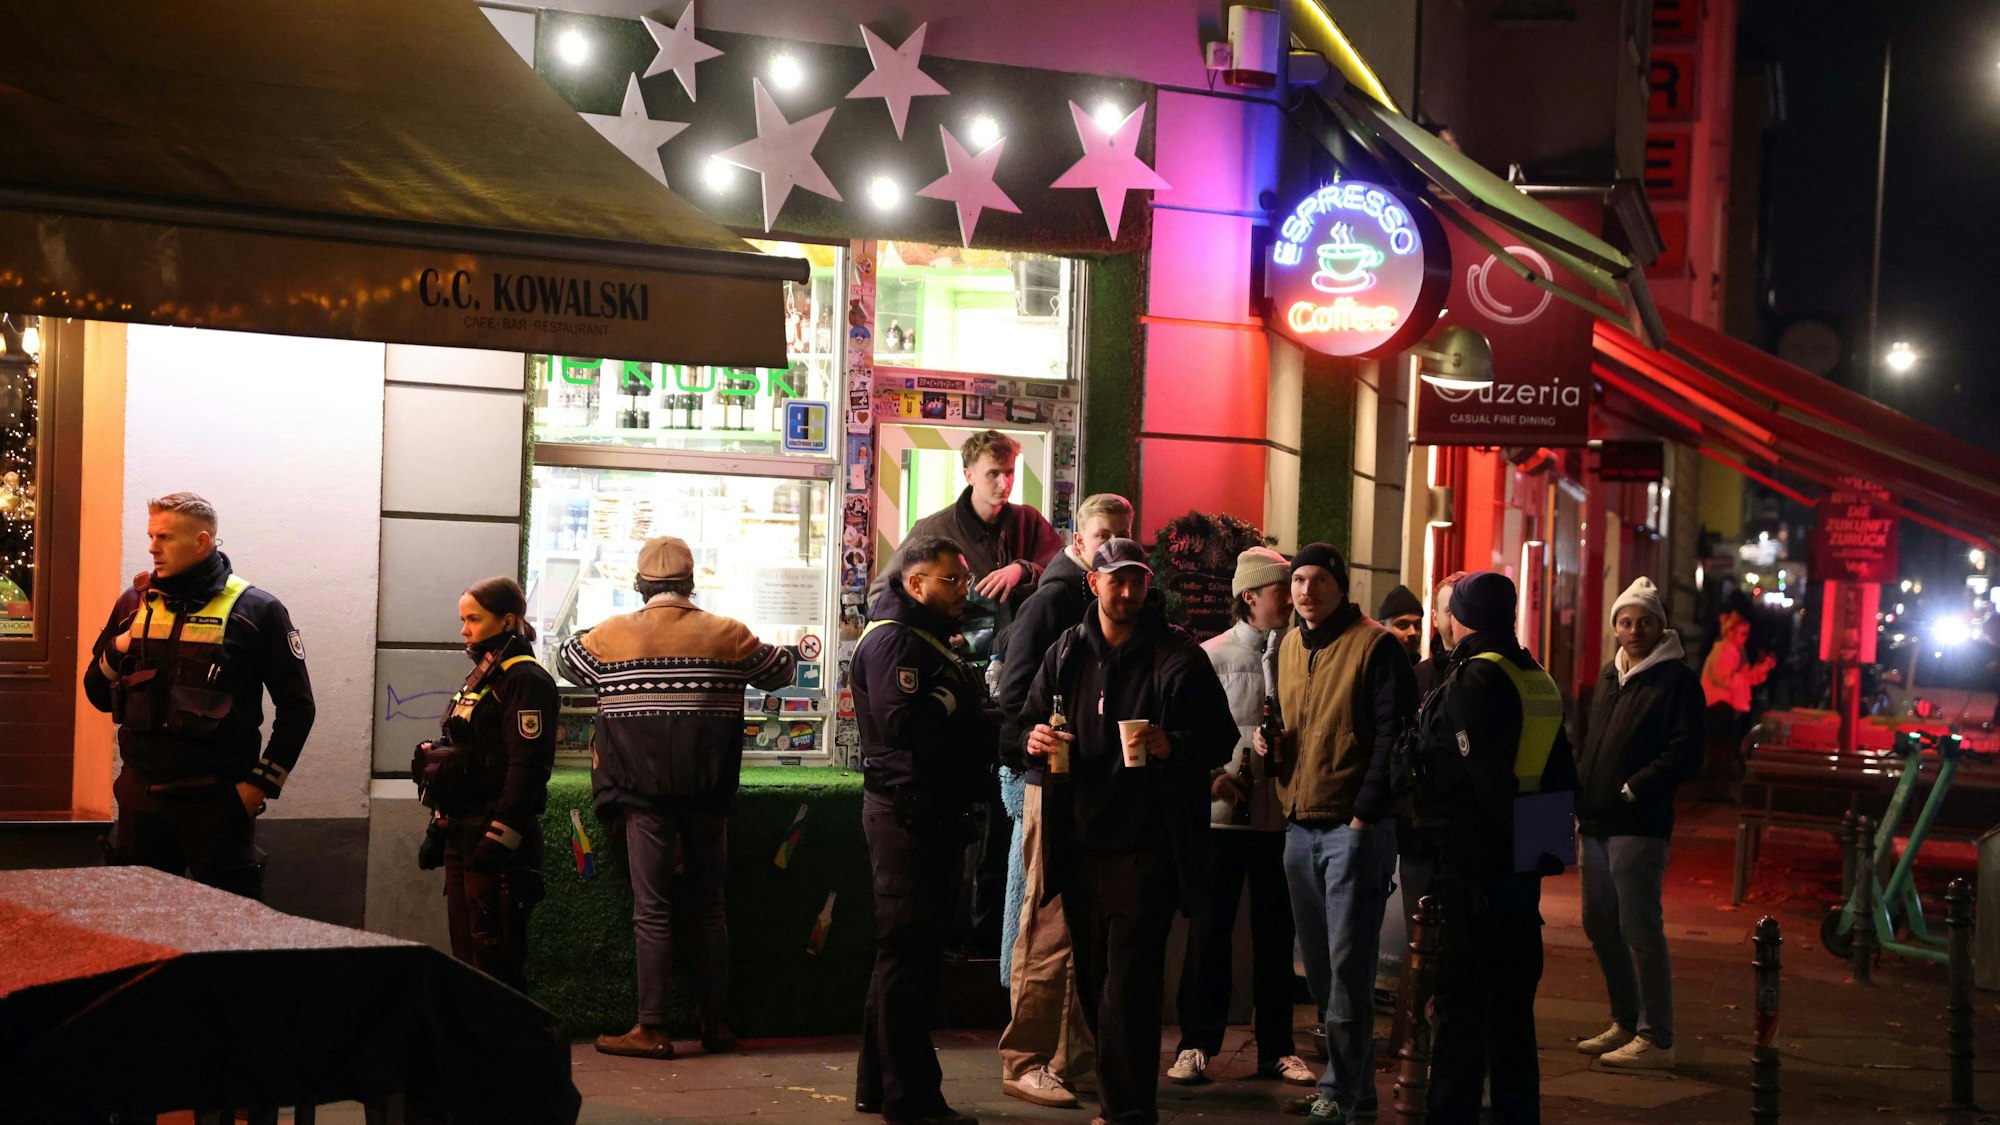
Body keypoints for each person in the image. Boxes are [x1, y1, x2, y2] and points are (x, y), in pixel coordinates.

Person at [1021, 539, 1236, 1125]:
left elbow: (1222, 738)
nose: (1126, 591)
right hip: (1082, 842)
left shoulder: (1177, 657)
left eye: (1136, 580)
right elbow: (1027, 724)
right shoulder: (1067, 652)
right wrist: (1034, 741)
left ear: (1146, 585)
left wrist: (1175, 744)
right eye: (1115, 580)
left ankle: (1129, 1109)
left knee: (1130, 985)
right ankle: (1124, 1096)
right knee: (1094, 981)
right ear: (1093, 583)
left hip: (1148, 848)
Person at [560, 536, 797, 1060]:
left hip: (642, 798)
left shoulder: (611, 635)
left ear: (641, 584)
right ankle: (715, 1026)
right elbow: (782, 670)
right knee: (710, 909)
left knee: (653, 911)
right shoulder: (728, 633)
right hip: (708, 797)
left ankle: (652, 1027)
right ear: (691, 583)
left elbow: (568, 659)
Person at [870, 429, 1064, 958]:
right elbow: (882, 597)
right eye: (992, 474)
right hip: (960, 690)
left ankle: (994, 945)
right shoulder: (932, 531)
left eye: (1009, 473)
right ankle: (965, 943)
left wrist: (1026, 567)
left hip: (1020, 695)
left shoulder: (1028, 525)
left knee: (1007, 829)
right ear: (968, 474)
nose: (1003, 484)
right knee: (971, 828)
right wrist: (933, 633)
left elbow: (1068, 570)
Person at [83, 492, 315, 900]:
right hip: (142, 802)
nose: (152, 547)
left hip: (218, 804)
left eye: (165, 537)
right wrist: (119, 646)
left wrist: (258, 787)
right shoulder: (133, 603)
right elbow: (97, 695)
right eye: (151, 535)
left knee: (228, 940)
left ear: (203, 541)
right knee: (139, 932)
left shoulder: (256, 610)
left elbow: (298, 707)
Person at [1407, 571, 1578, 1125]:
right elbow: (1557, 778)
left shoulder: (1475, 679)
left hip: (1471, 870)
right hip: (1518, 872)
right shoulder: (1538, 677)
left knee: (1459, 1011)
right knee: (1512, 1016)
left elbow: (1477, 780)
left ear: (1461, 617)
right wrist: (1531, 864)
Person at [1253, 543, 1415, 1125]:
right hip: (1301, 823)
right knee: (1320, 968)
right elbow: (1293, 726)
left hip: (1352, 828)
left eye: (1319, 579)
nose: (1306, 591)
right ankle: (1349, 1088)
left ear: (1340, 586)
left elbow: (1394, 735)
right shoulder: (1290, 645)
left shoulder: (1376, 646)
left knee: (1349, 965)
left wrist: (1364, 815)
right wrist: (1270, 747)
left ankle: (1344, 1093)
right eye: (1298, 580)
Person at [851, 536, 1000, 1125]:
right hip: (908, 813)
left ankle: (878, 1087)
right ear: (915, 585)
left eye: (964, 580)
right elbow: (899, 724)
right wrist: (954, 695)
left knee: (901, 958)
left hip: (924, 810)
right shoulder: (895, 640)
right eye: (950, 581)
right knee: (909, 960)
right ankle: (911, 1100)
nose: (962, 589)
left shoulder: (917, 637)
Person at [991, 492, 1132, 1108]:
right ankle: (1028, 1057)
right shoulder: (1054, 601)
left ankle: (1067, 1057)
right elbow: (1014, 699)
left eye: (1120, 535)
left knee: (1071, 928)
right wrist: (1029, 744)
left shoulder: (1110, 604)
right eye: (1100, 534)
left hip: (1086, 790)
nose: (1108, 546)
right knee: (1039, 921)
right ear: (1078, 539)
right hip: (1044, 783)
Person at [1168, 547, 1317, 1088]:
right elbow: (1186, 733)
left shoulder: (1303, 651)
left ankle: (1278, 1046)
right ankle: (1195, 1043)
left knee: (1278, 937)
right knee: (1209, 934)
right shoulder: (1209, 655)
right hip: (1222, 820)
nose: (1294, 599)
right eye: (1284, 588)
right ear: (1250, 597)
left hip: (1283, 818)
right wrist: (1213, 777)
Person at [1574, 577, 1705, 1072]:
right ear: (1614, 627)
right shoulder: (1612, 675)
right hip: (1597, 821)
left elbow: (1687, 751)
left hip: (1639, 824)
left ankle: (1657, 1036)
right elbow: (1594, 743)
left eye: (1645, 621)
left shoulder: (1675, 681)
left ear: (1660, 624)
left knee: (1639, 928)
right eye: (1626, 621)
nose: (1635, 629)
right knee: (1600, 923)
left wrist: (1637, 786)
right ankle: (1625, 1021)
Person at [413, 576, 558, 991]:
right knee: (468, 954)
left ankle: (507, 1051)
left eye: (473, 619)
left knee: (496, 956)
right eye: (463, 619)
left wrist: (502, 836)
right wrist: (439, 825)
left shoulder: (524, 678)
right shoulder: (483, 677)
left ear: (508, 620)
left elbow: (527, 766)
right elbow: (458, 753)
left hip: (495, 836)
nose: (464, 630)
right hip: (463, 831)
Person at [1700, 610, 1773, 783]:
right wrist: (1751, 674)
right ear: (1731, 632)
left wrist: (1762, 668)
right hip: (1718, 704)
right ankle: (1716, 787)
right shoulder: (1727, 649)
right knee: (1720, 747)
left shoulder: (1736, 649)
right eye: (1743, 633)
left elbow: (1744, 676)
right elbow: (1725, 677)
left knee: (1722, 747)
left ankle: (1718, 786)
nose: (1746, 637)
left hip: (1723, 704)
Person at [1377, 584, 1425, 663]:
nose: (1413, 632)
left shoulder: (1426, 672)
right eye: (1402, 625)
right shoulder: (1368, 670)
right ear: (1381, 627)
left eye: (1417, 625)